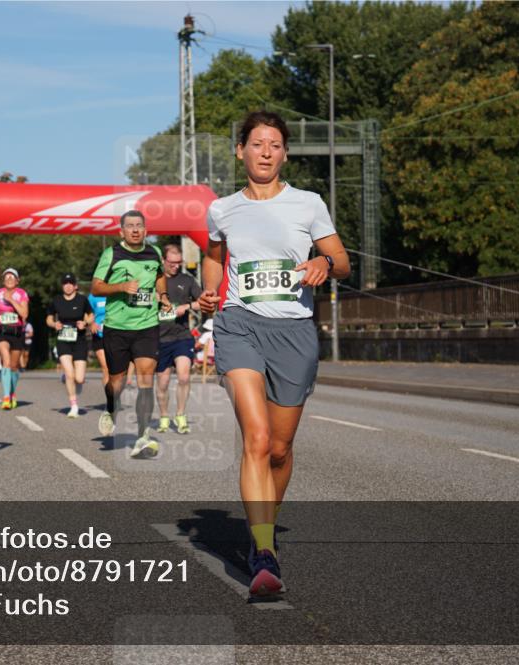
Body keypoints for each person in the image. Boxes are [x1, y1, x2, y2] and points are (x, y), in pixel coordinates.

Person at [198, 111, 350, 598]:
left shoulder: (308, 204)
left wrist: (323, 263)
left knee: (280, 451)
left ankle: (263, 524)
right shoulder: (222, 210)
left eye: (275, 144)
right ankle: (263, 550)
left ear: (284, 153)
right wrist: (208, 291)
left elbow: (343, 260)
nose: (266, 151)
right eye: (257, 143)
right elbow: (213, 256)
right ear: (240, 150)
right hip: (240, 325)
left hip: (294, 333)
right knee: (257, 439)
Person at [91, 210, 172, 458]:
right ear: (121, 231)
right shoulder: (112, 254)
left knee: (146, 378)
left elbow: (159, 275)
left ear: (146, 230)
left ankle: (143, 436)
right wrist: (121, 287)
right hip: (117, 327)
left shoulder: (154, 253)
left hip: (147, 326)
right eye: (130, 226)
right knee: (118, 383)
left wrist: (164, 297)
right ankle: (111, 408)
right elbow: (96, 287)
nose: (135, 230)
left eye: (139, 226)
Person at [155, 244, 203, 434]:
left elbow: (203, 303)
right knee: (163, 382)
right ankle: (164, 416)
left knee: (183, 376)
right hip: (159, 338)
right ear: (163, 261)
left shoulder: (187, 280)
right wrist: (154, 299)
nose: (176, 266)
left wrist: (188, 305)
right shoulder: (154, 280)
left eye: (178, 263)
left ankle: (181, 414)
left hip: (182, 336)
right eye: (172, 263)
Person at [47, 273, 94, 417]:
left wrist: (85, 323)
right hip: (63, 340)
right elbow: (48, 318)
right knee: (69, 373)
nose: (67, 286)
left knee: (79, 378)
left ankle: (71, 380)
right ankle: (74, 406)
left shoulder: (82, 300)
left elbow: (91, 316)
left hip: (79, 340)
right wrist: (54, 324)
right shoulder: (56, 301)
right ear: (62, 286)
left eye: (70, 283)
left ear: (75, 286)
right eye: (65, 283)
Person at [0, 268, 30, 409]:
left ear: (17, 280)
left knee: (14, 366)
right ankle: (6, 397)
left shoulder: (21, 294)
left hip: (17, 332)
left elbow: (24, 314)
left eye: (12, 277)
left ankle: (12, 393)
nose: (9, 279)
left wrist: (11, 301)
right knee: (6, 362)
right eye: (6, 277)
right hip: (2, 332)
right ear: (3, 280)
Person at [88, 292, 109, 386]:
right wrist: (91, 324)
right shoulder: (93, 296)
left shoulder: (116, 292)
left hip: (115, 334)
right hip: (99, 334)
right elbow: (88, 313)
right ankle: (110, 398)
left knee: (118, 369)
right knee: (106, 368)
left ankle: (116, 393)